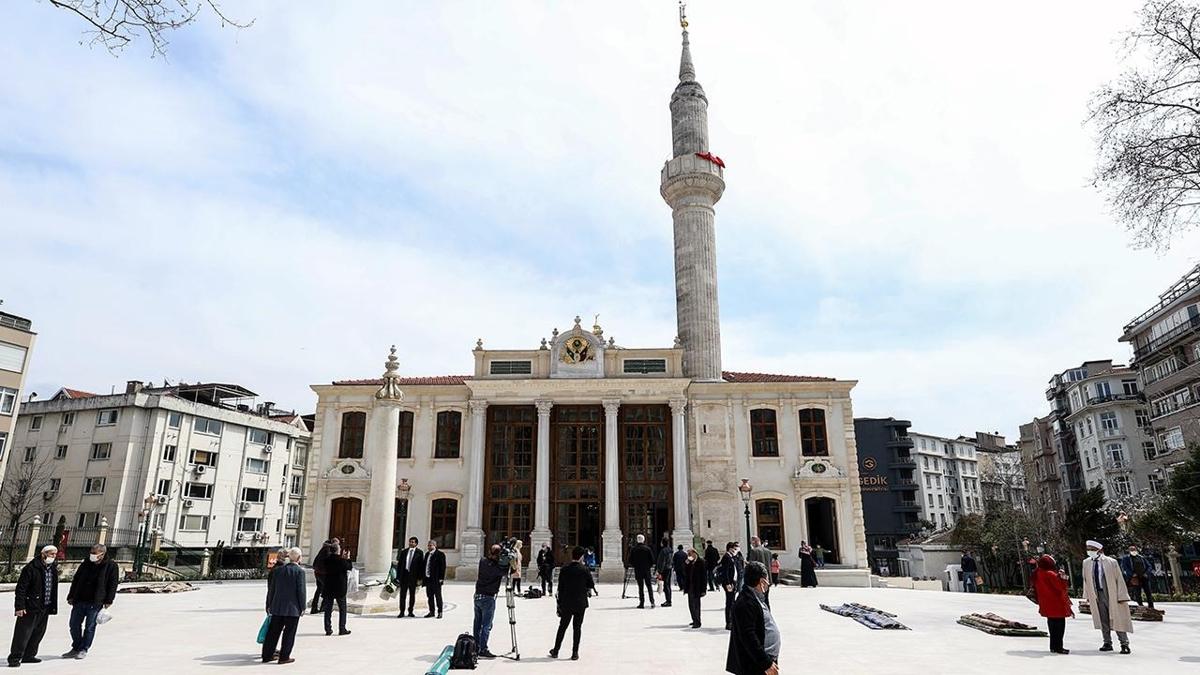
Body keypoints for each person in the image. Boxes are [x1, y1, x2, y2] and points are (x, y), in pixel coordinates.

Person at [62, 544, 118, 660]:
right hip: (80, 599)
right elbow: (76, 580)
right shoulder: (86, 563)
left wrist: (109, 600)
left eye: (95, 553)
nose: (92, 555)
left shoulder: (111, 566)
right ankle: (76, 646)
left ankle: (84, 648)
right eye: (91, 553)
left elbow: (112, 584)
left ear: (102, 554)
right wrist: (71, 595)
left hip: (95, 601)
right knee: (73, 625)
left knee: (90, 627)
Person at [726, 562, 779, 675]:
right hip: (756, 663)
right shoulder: (745, 603)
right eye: (767, 579)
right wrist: (765, 663)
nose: (768, 583)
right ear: (761, 581)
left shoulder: (757, 598)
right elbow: (748, 636)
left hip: (765, 659)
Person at [9, 545, 58, 667]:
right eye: (51, 554)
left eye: (55, 554)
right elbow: (21, 588)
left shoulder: (52, 569)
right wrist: (19, 606)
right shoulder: (31, 568)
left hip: (44, 606)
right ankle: (15, 657)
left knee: (38, 632)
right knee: (23, 633)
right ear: (43, 554)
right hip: (30, 606)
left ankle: (29, 655)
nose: (54, 557)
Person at [1081, 539, 1133, 654]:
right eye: (1088, 549)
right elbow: (1086, 580)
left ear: (1099, 550)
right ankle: (1107, 642)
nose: (1090, 551)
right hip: (1097, 593)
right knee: (1102, 618)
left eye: (1092, 550)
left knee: (1117, 617)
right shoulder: (1086, 562)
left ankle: (1124, 643)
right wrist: (1088, 595)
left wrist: (1122, 595)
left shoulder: (1111, 562)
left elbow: (1119, 579)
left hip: (1111, 593)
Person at [549, 546, 595, 660]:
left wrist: (559, 603)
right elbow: (591, 585)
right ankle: (575, 653)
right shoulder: (584, 569)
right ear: (581, 557)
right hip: (580, 602)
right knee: (577, 627)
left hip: (567, 602)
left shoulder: (564, 569)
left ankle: (556, 650)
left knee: (562, 627)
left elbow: (560, 587)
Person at [262, 547, 306, 665]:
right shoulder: (300, 572)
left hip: (277, 606)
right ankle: (284, 657)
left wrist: (270, 604)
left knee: (273, 632)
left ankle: (267, 655)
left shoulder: (278, 570)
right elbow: (301, 591)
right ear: (299, 558)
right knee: (289, 633)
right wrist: (303, 607)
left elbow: (272, 589)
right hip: (293, 608)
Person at [1032, 554, 1073, 654]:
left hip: (1046, 604)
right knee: (1059, 627)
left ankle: (1053, 646)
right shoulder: (1050, 574)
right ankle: (1059, 647)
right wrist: (1063, 577)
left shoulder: (1037, 573)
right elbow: (1061, 587)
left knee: (1052, 626)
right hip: (1056, 604)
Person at [473, 544, 505, 659]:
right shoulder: (497, 569)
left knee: (477, 623)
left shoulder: (482, 562)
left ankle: (475, 647)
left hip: (478, 596)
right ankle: (483, 648)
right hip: (488, 598)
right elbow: (513, 571)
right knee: (486, 625)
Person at [321, 541, 352, 636]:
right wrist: (348, 559)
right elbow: (349, 567)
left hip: (329, 587)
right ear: (338, 551)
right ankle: (342, 628)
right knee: (342, 609)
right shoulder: (341, 561)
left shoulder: (327, 560)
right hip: (340, 588)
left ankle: (328, 629)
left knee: (328, 609)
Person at [395, 536, 425, 618]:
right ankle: (401, 611)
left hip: (413, 577)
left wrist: (420, 578)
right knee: (402, 595)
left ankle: (410, 611)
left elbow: (421, 566)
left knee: (412, 595)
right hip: (404, 576)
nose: (411, 543)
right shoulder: (404, 552)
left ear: (416, 543)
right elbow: (400, 564)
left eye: (413, 542)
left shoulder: (419, 553)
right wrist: (398, 577)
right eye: (410, 542)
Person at [1119, 545, 1154, 609]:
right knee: (1137, 592)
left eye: (1134, 549)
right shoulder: (1126, 559)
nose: (1133, 551)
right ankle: (1140, 605)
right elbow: (1124, 568)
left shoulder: (1141, 558)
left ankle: (1151, 606)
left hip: (1144, 577)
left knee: (1148, 592)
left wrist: (1146, 573)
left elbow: (1149, 566)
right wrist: (1131, 574)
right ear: (1129, 551)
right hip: (1135, 578)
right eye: (1132, 550)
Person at [628, 534, 656, 609]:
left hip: (638, 570)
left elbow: (630, 560)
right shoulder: (647, 549)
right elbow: (652, 560)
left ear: (637, 540)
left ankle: (642, 603)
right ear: (643, 540)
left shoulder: (634, 549)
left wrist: (635, 565)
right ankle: (652, 602)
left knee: (640, 588)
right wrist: (648, 566)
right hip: (646, 570)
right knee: (649, 587)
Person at [718, 542, 741, 630]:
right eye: (733, 548)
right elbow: (725, 572)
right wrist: (727, 583)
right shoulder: (726, 557)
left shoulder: (732, 557)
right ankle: (729, 622)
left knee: (732, 602)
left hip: (733, 582)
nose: (735, 550)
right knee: (729, 602)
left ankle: (732, 620)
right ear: (730, 548)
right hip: (729, 583)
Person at [683, 548, 707, 628]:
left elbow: (704, 577)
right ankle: (694, 619)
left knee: (696, 605)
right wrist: (686, 564)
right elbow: (685, 574)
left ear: (694, 553)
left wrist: (704, 589)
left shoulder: (701, 562)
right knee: (691, 605)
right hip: (690, 586)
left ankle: (698, 621)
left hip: (697, 586)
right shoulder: (689, 562)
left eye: (690, 554)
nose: (689, 556)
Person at [424, 539, 447, 618]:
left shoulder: (440, 554)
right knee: (430, 596)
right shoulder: (427, 554)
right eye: (428, 545)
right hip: (428, 579)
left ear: (435, 546)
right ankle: (431, 611)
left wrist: (441, 578)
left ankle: (440, 611)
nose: (429, 547)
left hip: (436, 579)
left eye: (431, 545)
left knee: (438, 596)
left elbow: (443, 567)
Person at [309, 538, 332, 614]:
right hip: (324, 574)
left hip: (317, 573)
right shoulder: (328, 551)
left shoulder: (321, 551)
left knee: (318, 590)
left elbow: (314, 563)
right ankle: (323, 607)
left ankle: (314, 607)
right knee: (327, 590)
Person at [655, 537, 674, 607]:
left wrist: (659, 571)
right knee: (668, 585)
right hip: (669, 568)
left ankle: (668, 601)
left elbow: (662, 562)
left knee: (666, 585)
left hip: (665, 569)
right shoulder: (670, 550)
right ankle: (669, 600)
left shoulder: (663, 551)